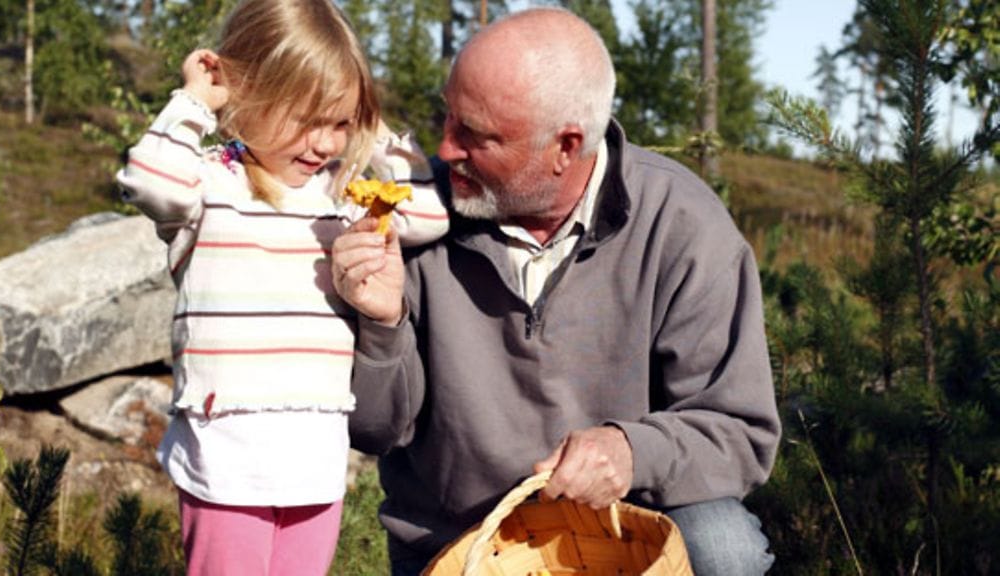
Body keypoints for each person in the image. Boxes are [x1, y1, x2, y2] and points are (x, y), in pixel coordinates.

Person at [331, 6, 781, 576]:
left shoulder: (683, 225)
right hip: (462, 543)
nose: (445, 150)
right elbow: (373, 430)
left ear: (566, 147)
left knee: (724, 548)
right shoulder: (412, 217)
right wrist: (381, 324)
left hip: (623, 536)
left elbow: (740, 433)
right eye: (448, 117)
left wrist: (630, 451)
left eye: (475, 134)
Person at [115, 0, 448, 573]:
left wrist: (373, 130)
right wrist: (196, 98)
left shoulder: (342, 196)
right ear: (245, 91)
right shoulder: (209, 183)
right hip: (226, 459)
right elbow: (151, 181)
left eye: (340, 123)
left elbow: (428, 215)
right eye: (307, 119)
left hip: (314, 460)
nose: (325, 143)